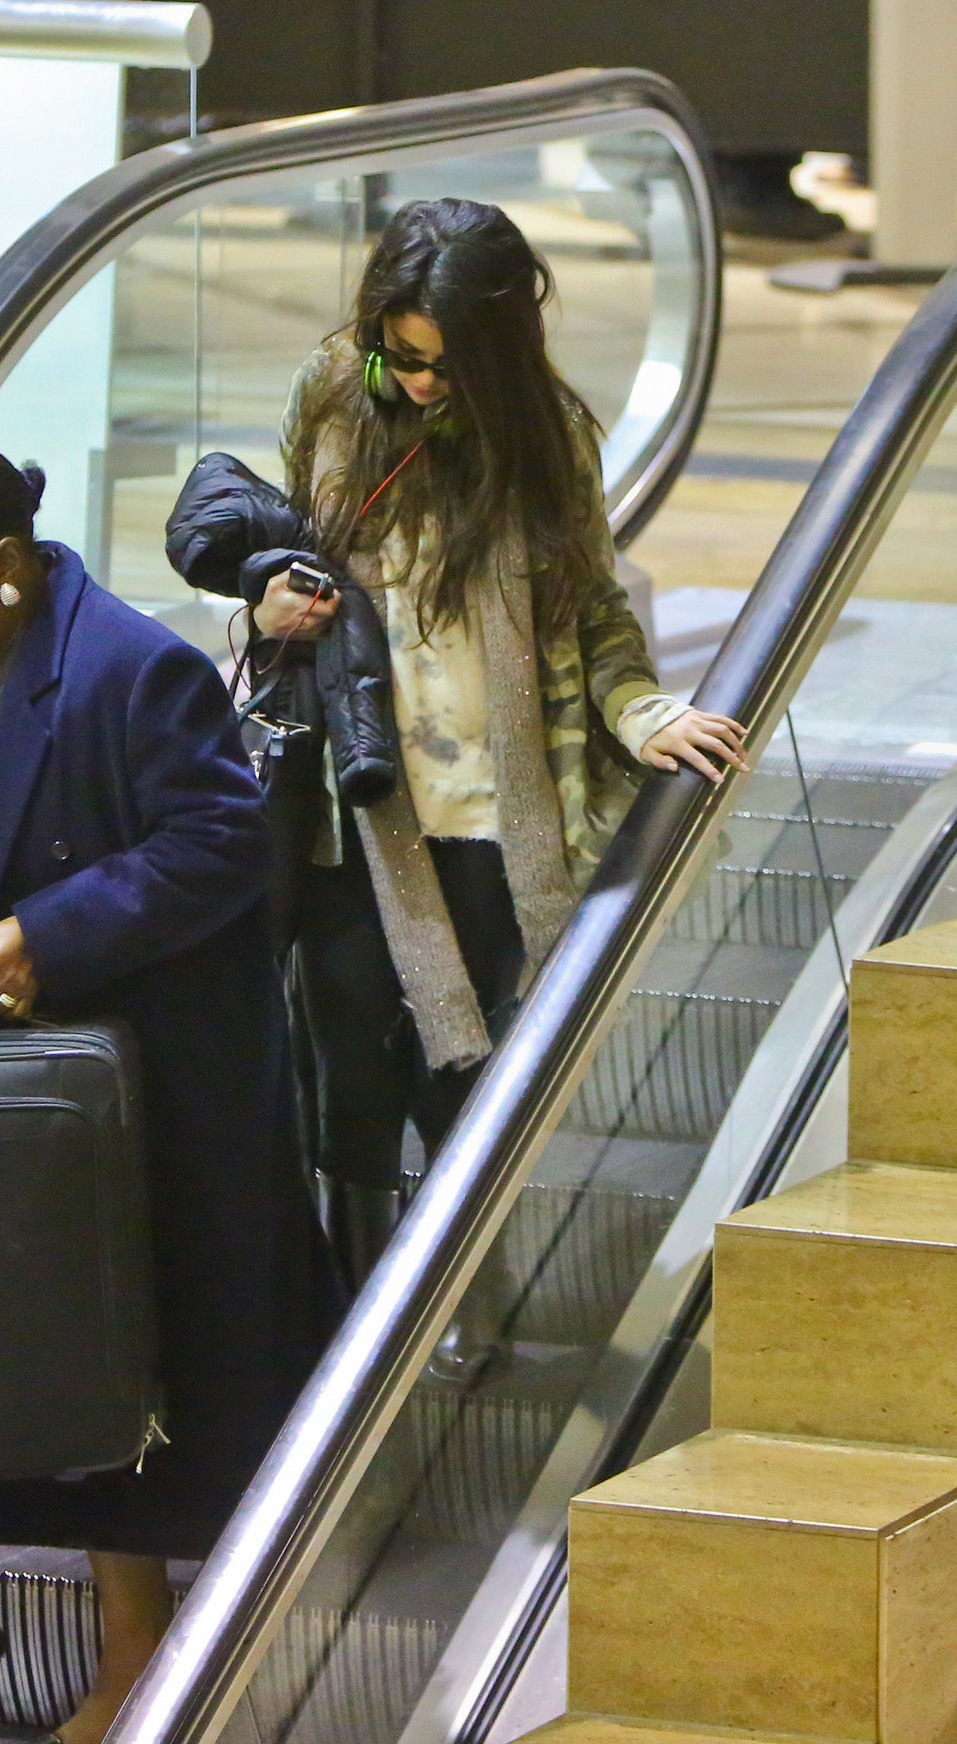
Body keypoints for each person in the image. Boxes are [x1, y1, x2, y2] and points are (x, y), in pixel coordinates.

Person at [0, 444, 337, 1744]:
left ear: (6, 568)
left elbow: (221, 846)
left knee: (114, 1366)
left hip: (107, 1085)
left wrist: (51, 934)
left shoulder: (127, 666)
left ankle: (135, 1663)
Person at [253, 198, 749, 1302]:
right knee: (345, 1076)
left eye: (446, 365)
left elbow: (592, 610)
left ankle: (462, 1303)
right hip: (354, 806)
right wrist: (269, 606)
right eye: (403, 358)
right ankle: (355, 1319)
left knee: (469, 1074)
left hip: (489, 811)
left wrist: (644, 714)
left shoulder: (545, 435)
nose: (421, 385)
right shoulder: (333, 393)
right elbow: (278, 554)